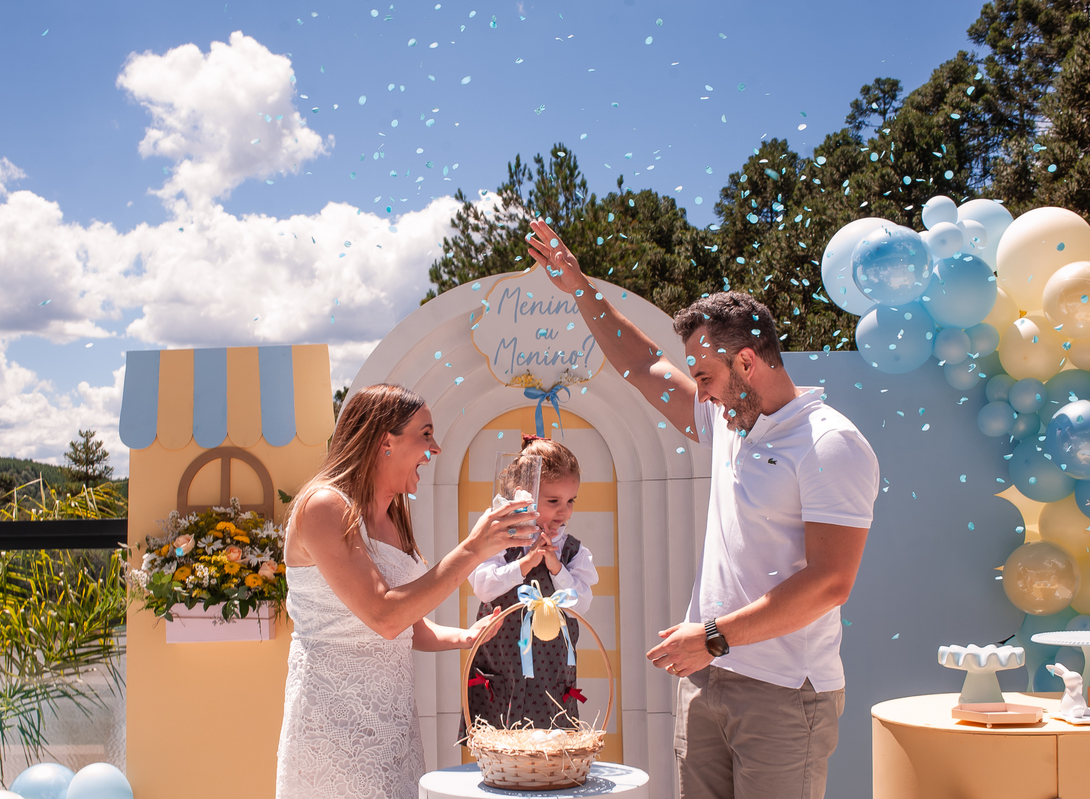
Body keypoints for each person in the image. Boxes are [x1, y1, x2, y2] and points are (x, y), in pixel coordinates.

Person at [527, 220, 880, 799]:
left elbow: (830, 582)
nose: (702, 393)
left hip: (784, 692)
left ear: (747, 362)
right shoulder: (727, 420)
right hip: (707, 678)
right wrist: (580, 288)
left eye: (706, 377)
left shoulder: (828, 443)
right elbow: (642, 365)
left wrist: (713, 637)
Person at [275, 383, 534, 799]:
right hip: (332, 729)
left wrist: (467, 636)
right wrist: (474, 548)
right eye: (426, 434)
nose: (437, 448)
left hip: (394, 732)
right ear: (386, 441)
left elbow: (410, 627)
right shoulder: (324, 506)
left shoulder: (394, 516)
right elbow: (385, 617)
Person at [463, 435, 599, 738]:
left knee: (549, 743)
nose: (564, 511)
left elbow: (580, 604)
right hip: (502, 670)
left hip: (550, 676)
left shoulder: (571, 552)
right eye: (553, 501)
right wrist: (524, 564)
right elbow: (484, 587)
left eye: (570, 501)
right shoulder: (500, 541)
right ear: (523, 496)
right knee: (498, 746)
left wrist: (556, 568)